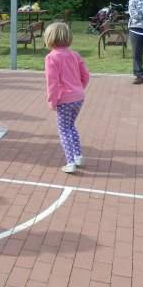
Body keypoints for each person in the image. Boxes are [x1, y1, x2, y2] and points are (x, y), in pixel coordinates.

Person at [44, 22, 90, 174]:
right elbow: (85, 75)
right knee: (71, 126)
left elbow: (52, 82)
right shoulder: (75, 55)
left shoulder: (51, 57)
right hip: (78, 97)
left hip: (64, 99)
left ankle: (70, 162)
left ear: (49, 38)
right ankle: (78, 156)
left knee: (64, 130)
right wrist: (79, 89)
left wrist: (52, 101)